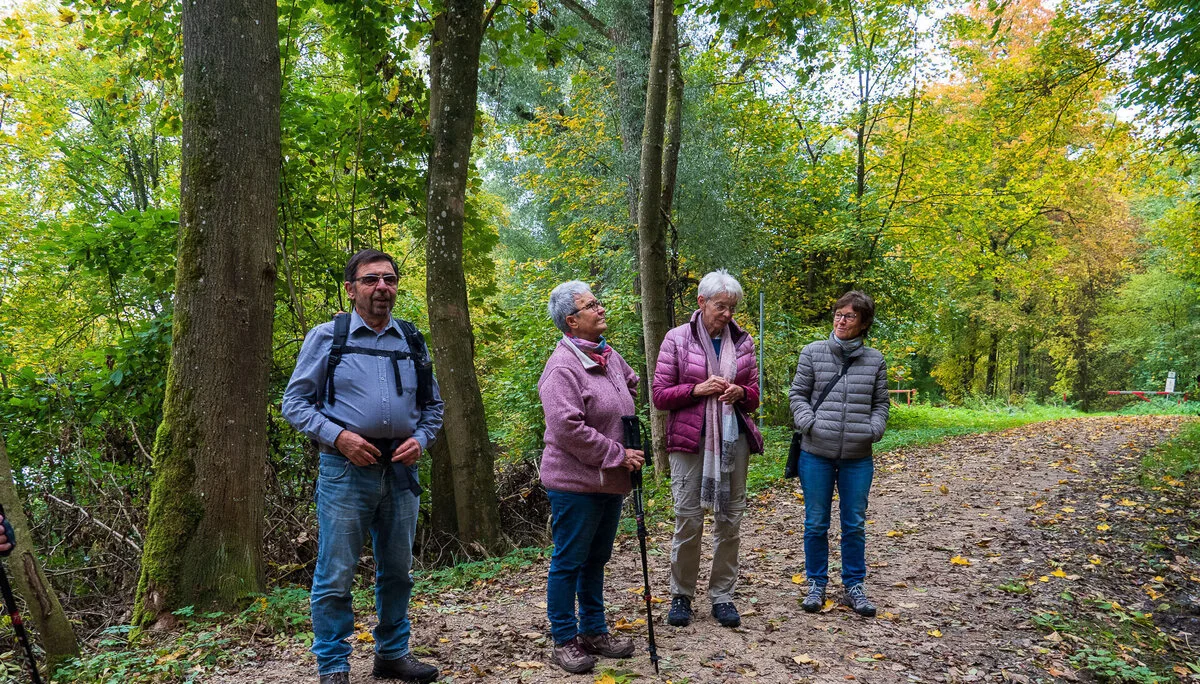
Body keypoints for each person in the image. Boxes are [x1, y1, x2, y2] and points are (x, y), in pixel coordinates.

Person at [283, 249, 445, 684]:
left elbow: (434, 407)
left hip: (400, 471)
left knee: (397, 572)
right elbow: (294, 403)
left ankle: (392, 654)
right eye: (371, 280)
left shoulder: (411, 340)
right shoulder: (327, 336)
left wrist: (422, 439)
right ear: (351, 289)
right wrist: (339, 436)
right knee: (335, 574)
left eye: (389, 280)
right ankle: (333, 665)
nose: (382, 288)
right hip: (344, 470)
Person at [538, 280, 644, 674]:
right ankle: (565, 639)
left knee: (596, 559)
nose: (601, 309)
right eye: (591, 305)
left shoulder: (604, 354)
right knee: (569, 561)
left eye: (598, 302)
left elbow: (629, 381)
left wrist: (622, 391)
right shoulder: (561, 367)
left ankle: (594, 631)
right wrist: (618, 453)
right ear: (571, 320)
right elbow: (567, 428)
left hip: (609, 482)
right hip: (575, 483)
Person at [651, 269, 763, 629]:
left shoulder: (743, 342)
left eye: (732, 307)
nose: (728, 314)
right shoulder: (676, 339)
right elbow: (659, 396)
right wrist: (697, 390)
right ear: (701, 303)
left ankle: (722, 596)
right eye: (721, 306)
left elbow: (756, 395)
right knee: (689, 519)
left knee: (730, 520)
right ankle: (682, 594)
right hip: (689, 443)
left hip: (734, 441)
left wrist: (741, 393)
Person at [788, 291, 889, 618]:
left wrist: (874, 429)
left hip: (858, 458)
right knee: (816, 522)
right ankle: (816, 583)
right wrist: (808, 422)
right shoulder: (813, 353)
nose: (841, 320)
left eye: (850, 316)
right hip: (816, 452)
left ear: (863, 323)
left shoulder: (875, 361)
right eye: (838, 314)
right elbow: (798, 395)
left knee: (854, 523)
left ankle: (854, 586)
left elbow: (881, 404)